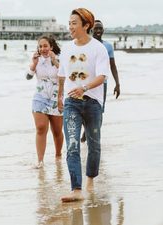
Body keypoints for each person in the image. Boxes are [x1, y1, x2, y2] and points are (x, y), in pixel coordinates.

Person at [57, 8, 111, 202]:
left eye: (74, 23)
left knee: (94, 145)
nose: (70, 27)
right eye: (69, 23)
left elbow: (103, 76)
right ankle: (76, 189)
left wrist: (84, 88)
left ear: (86, 25)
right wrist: (60, 96)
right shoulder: (66, 48)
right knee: (72, 144)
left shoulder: (98, 48)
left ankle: (90, 179)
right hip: (71, 103)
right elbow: (62, 75)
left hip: (93, 103)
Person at [80, 19, 121, 143]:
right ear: (91, 30)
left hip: (102, 84)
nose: (98, 31)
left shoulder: (107, 46)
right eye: (96, 28)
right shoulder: (86, 44)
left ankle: (94, 136)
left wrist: (117, 83)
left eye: (100, 28)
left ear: (103, 30)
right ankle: (86, 130)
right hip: (86, 83)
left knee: (99, 109)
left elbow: (113, 66)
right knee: (82, 108)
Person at [27, 35, 63, 169]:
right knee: (41, 128)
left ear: (51, 47)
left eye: (45, 46)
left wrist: (54, 60)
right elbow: (28, 77)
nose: (43, 49)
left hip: (56, 97)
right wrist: (34, 64)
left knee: (57, 131)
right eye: (40, 46)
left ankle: (58, 155)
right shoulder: (36, 60)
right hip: (40, 97)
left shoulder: (59, 59)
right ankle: (40, 161)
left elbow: (66, 75)